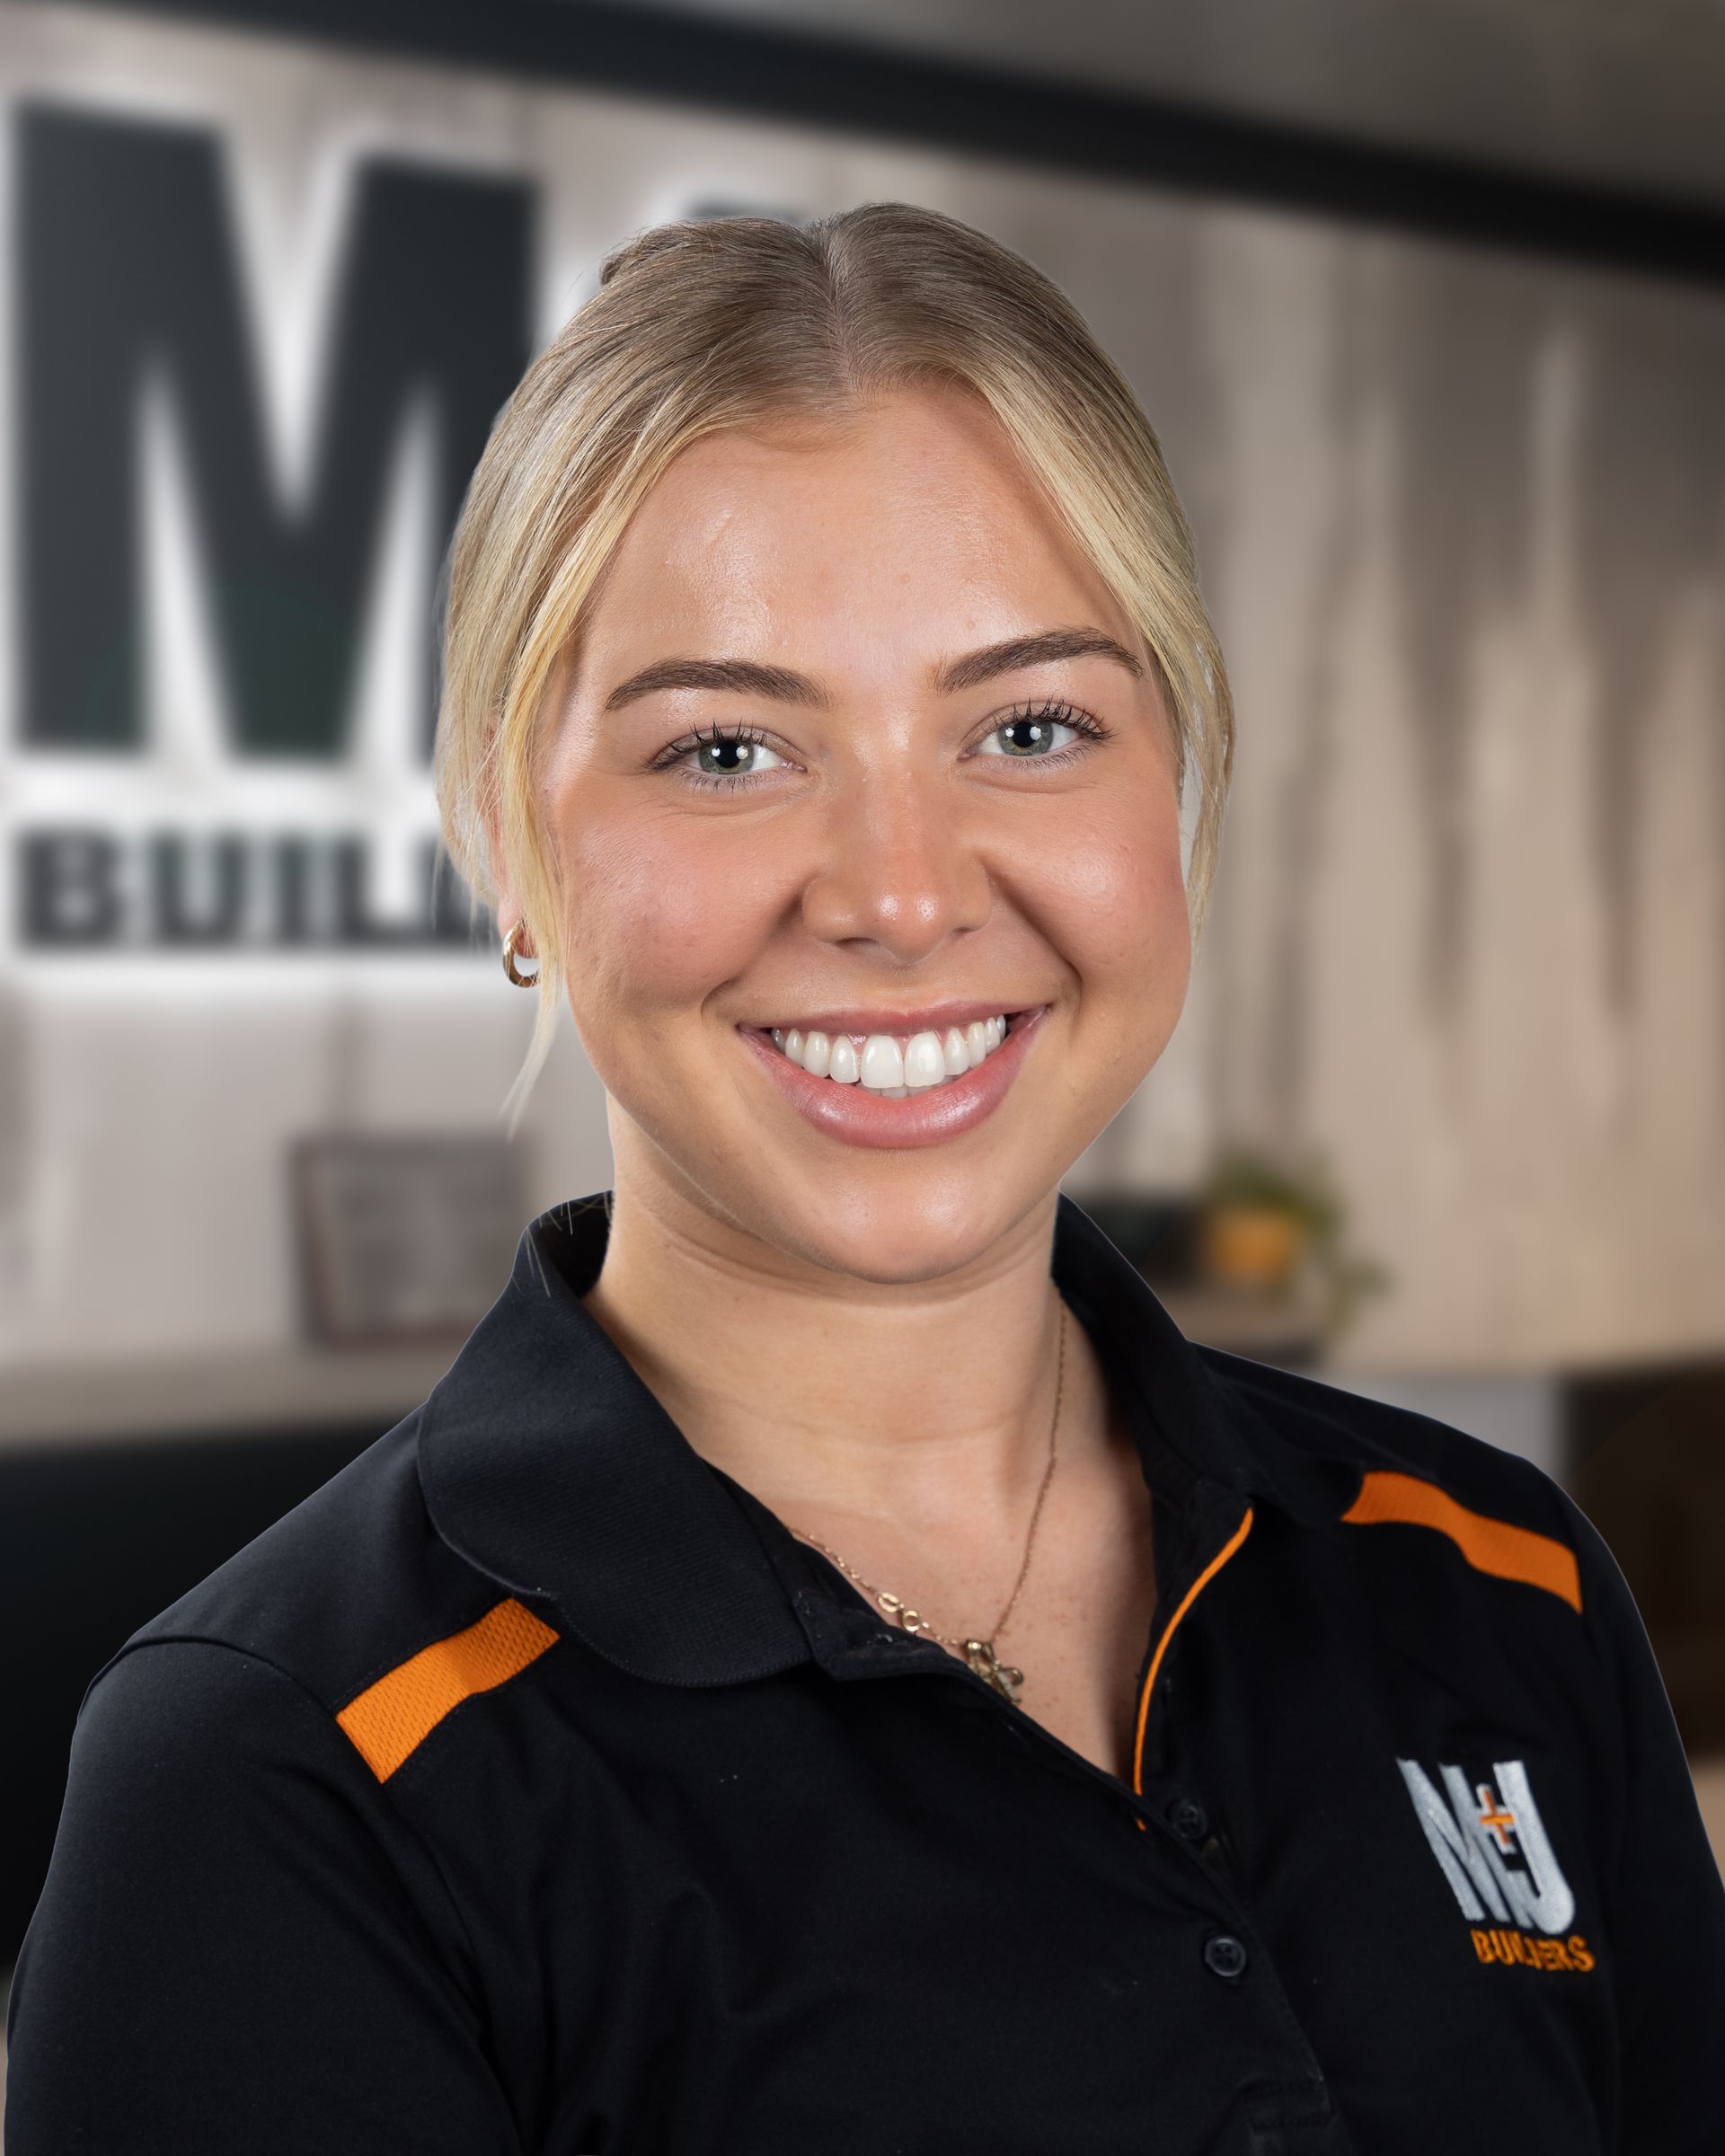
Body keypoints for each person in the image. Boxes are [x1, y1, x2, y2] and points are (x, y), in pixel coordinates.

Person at [7, 203, 1721, 2156]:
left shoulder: (1496, 1587)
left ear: (1180, 781)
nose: (902, 895)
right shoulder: (288, 1767)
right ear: (502, 833)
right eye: (729, 749)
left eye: (1031, 726)